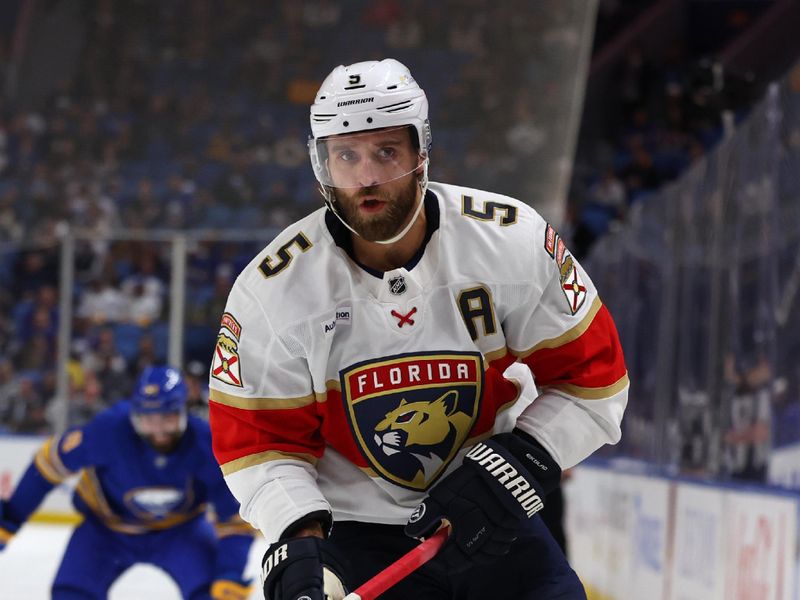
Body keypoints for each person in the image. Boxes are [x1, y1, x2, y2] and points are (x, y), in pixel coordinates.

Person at [209, 58, 629, 600]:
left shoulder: (511, 241)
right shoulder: (272, 292)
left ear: (421, 152)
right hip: (356, 537)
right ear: (322, 165)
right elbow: (259, 444)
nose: (366, 176)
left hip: (492, 518)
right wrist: (298, 535)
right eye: (346, 155)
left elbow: (594, 379)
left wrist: (524, 455)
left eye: (386, 151)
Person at [0, 366, 255, 599]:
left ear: (182, 411)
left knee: (214, 594)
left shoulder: (204, 442)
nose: (158, 430)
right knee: (72, 594)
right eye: (149, 419)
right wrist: (10, 519)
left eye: (167, 418)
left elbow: (234, 518)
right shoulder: (108, 431)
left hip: (181, 533)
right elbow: (49, 464)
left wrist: (230, 572)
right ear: (136, 413)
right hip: (106, 531)